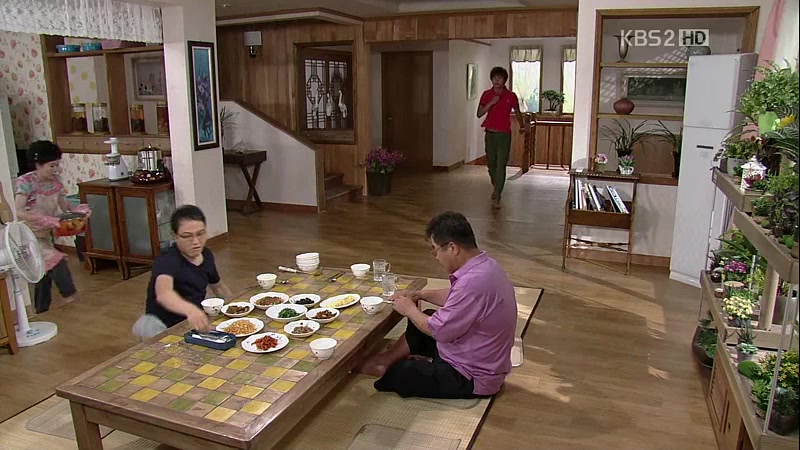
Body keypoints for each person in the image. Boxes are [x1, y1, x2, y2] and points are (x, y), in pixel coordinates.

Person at [358, 211, 517, 399]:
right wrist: (420, 294)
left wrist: (409, 309)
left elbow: (439, 330)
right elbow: (456, 297)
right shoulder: (487, 266)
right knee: (426, 316)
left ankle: (392, 366)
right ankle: (386, 360)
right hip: (473, 353)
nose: (435, 256)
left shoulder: (472, 283)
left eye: (435, 250)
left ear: (452, 248)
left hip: (472, 376)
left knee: (404, 372)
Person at [133, 205, 233, 339]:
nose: (196, 242)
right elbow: (164, 294)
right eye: (187, 236)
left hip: (189, 319)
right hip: (160, 323)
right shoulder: (167, 260)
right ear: (175, 236)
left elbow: (218, 286)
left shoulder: (206, 255)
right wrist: (191, 310)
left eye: (200, 234)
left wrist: (234, 307)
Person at [14, 140, 91, 314]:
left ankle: (42, 312)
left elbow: (65, 206)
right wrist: (44, 219)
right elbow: (19, 211)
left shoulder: (56, 181)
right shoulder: (25, 182)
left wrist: (80, 210)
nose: (56, 169)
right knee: (56, 261)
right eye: (51, 166)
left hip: (46, 235)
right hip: (28, 236)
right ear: (38, 164)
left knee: (43, 273)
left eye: (57, 165)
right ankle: (71, 299)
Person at [476, 66, 525, 209]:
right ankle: (496, 186)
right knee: (491, 165)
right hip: (490, 134)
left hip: (504, 134)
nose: (496, 80)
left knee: (501, 165)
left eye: (500, 78)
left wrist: (522, 126)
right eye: (494, 78)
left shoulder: (511, 96)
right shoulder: (486, 94)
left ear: (504, 80)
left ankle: (498, 195)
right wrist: (491, 102)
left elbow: (517, 112)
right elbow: (479, 114)